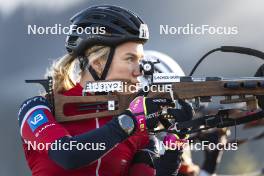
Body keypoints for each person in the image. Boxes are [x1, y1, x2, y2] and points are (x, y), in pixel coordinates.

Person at [18, 5, 192, 176]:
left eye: (140, 60)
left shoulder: (136, 124)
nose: (139, 71)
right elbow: (68, 155)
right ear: (98, 63)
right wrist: (128, 122)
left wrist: (175, 142)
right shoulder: (38, 108)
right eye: (130, 58)